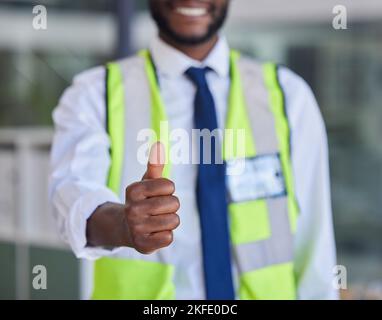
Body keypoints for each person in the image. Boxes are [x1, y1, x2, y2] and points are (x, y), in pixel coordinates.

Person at [49, 0, 338, 300]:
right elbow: (72, 198)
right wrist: (121, 224)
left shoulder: (288, 95)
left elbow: (314, 244)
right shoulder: (94, 95)